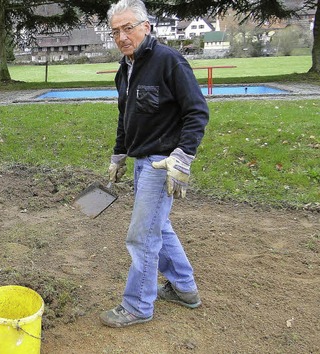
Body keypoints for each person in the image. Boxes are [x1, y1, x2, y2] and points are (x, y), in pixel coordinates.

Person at [99, 0, 209, 328]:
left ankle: (137, 306)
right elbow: (125, 116)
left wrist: (183, 157)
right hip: (140, 159)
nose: (121, 36)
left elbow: (197, 111)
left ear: (146, 27)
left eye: (128, 28)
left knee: (141, 236)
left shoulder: (169, 61)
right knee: (157, 226)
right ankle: (184, 288)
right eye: (115, 31)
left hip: (162, 164)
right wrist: (119, 154)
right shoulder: (126, 67)